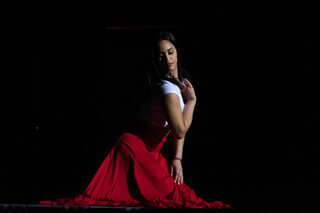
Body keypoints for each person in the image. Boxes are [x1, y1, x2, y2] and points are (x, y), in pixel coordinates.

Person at [40, 32, 231, 209]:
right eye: (161, 55)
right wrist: (192, 101)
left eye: (170, 52)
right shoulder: (167, 89)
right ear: (155, 60)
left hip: (153, 152)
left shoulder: (180, 81)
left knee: (179, 193)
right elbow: (180, 129)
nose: (167, 59)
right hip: (134, 148)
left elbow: (177, 129)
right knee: (172, 196)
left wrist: (177, 158)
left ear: (177, 52)